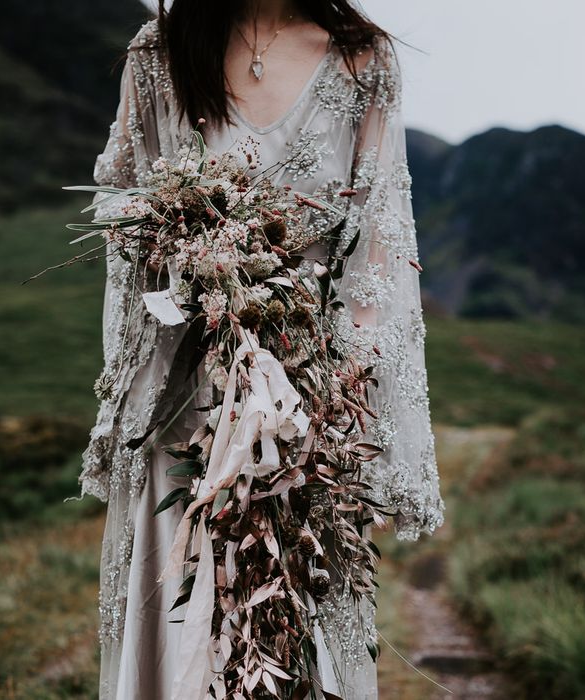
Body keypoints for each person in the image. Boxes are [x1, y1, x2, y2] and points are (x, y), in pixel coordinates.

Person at [76, 1, 446, 697]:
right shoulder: (160, 53)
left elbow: (379, 241)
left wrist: (333, 392)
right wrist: (186, 252)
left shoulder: (361, 59)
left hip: (305, 409)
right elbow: (120, 201)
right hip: (182, 399)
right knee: (181, 606)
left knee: (289, 617)